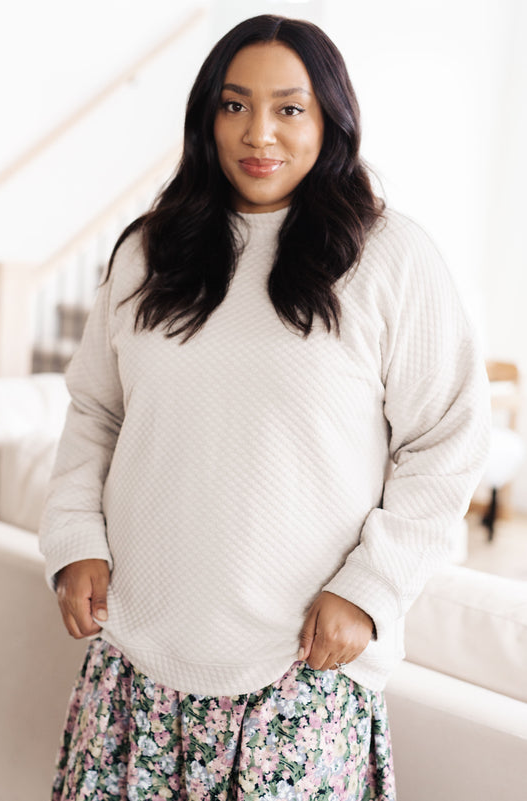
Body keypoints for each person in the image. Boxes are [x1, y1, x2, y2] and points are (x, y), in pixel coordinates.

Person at [39, 14, 490, 801]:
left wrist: (368, 589)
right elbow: (94, 413)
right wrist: (75, 537)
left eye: (289, 108)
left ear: (330, 120)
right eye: (233, 104)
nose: (259, 133)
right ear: (205, 115)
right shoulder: (147, 252)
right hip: (135, 663)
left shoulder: (390, 256)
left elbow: (446, 439)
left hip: (299, 672)